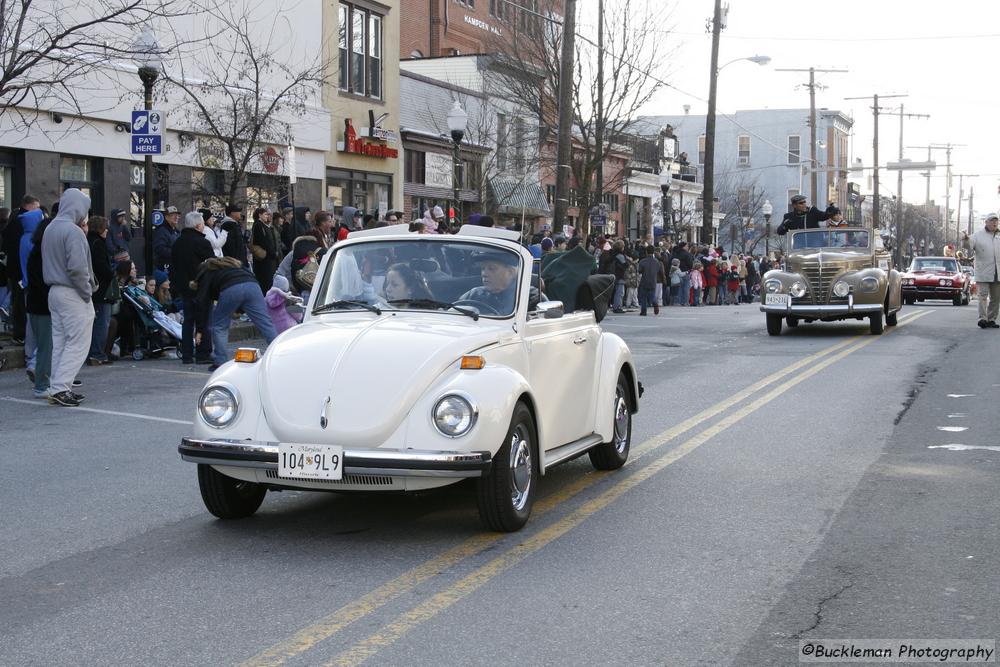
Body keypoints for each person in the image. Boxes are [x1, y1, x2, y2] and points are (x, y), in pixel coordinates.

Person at [42, 189, 96, 407]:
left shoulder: (50, 228)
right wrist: (87, 291)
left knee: (61, 342)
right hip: (72, 291)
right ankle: (62, 387)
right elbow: (77, 268)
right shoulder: (73, 231)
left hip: (54, 290)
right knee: (78, 343)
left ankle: (57, 386)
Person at [190, 256, 277, 370]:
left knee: (220, 326)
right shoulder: (236, 265)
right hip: (253, 285)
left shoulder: (207, 272)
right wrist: (240, 309)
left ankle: (220, 362)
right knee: (266, 323)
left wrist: (200, 329)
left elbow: (202, 302)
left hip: (230, 288)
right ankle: (278, 353)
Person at [171, 212, 215, 363]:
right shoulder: (202, 243)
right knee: (204, 320)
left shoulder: (177, 243)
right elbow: (212, 264)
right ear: (198, 225)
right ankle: (203, 353)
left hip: (184, 288)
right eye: (202, 224)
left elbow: (173, 268)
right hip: (202, 286)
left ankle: (187, 354)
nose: (204, 226)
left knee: (188, 320)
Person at [25, 217, 53, 398]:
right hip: (43, 307)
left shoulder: (36, 251)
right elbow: (44, 282)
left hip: (35, 305)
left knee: (44, 345)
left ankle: (41, 377)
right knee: (46, 346)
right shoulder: (42, 253)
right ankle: (42, 384)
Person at [961, 213, 1000, 328]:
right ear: (986, 222)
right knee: (982, 296)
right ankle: (983, 319)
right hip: (983, 271)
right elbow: (968, 245)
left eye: (996, 221)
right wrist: (965, 239)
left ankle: (991, 319)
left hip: (997, 272)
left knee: (996, 298)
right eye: (992, 221)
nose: (994, 223)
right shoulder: (978, 235)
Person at [86, 216, 115, 365]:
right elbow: (102, 268)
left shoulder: (88, 241)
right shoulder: (98, 244)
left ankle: (93, 352)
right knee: (102, 322)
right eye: (105, 227)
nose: (107, 230)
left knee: (96, 322)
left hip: (91, 288)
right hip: (101, 289)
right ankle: (97, 353)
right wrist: (112, 275)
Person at [250, 207, 283, 292]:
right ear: (259, 215)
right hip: (265, 258)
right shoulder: (258, 225)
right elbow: (263, 241)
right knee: (266, 281)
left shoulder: (262, 225)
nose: (267, 216)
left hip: (268, 257)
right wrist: (272, 252)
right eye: (265, 214)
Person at [152, 205, 180, 270]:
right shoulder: (161, 231)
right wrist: (176, 252)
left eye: (177, 215)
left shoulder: (177, 231)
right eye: (173, 215)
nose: (176, 217)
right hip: (164, 266)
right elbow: (159, 248)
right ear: (166, 217)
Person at [637, 246, 661, 316]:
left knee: (643, 296)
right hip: (653, 280)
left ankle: (643, 311)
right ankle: (654, 302)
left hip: (644, 280)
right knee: (652, 295)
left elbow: (640, 271)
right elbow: (658, 270)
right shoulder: (657, 262)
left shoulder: (642, 261)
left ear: (646, 252)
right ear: (653, 252)